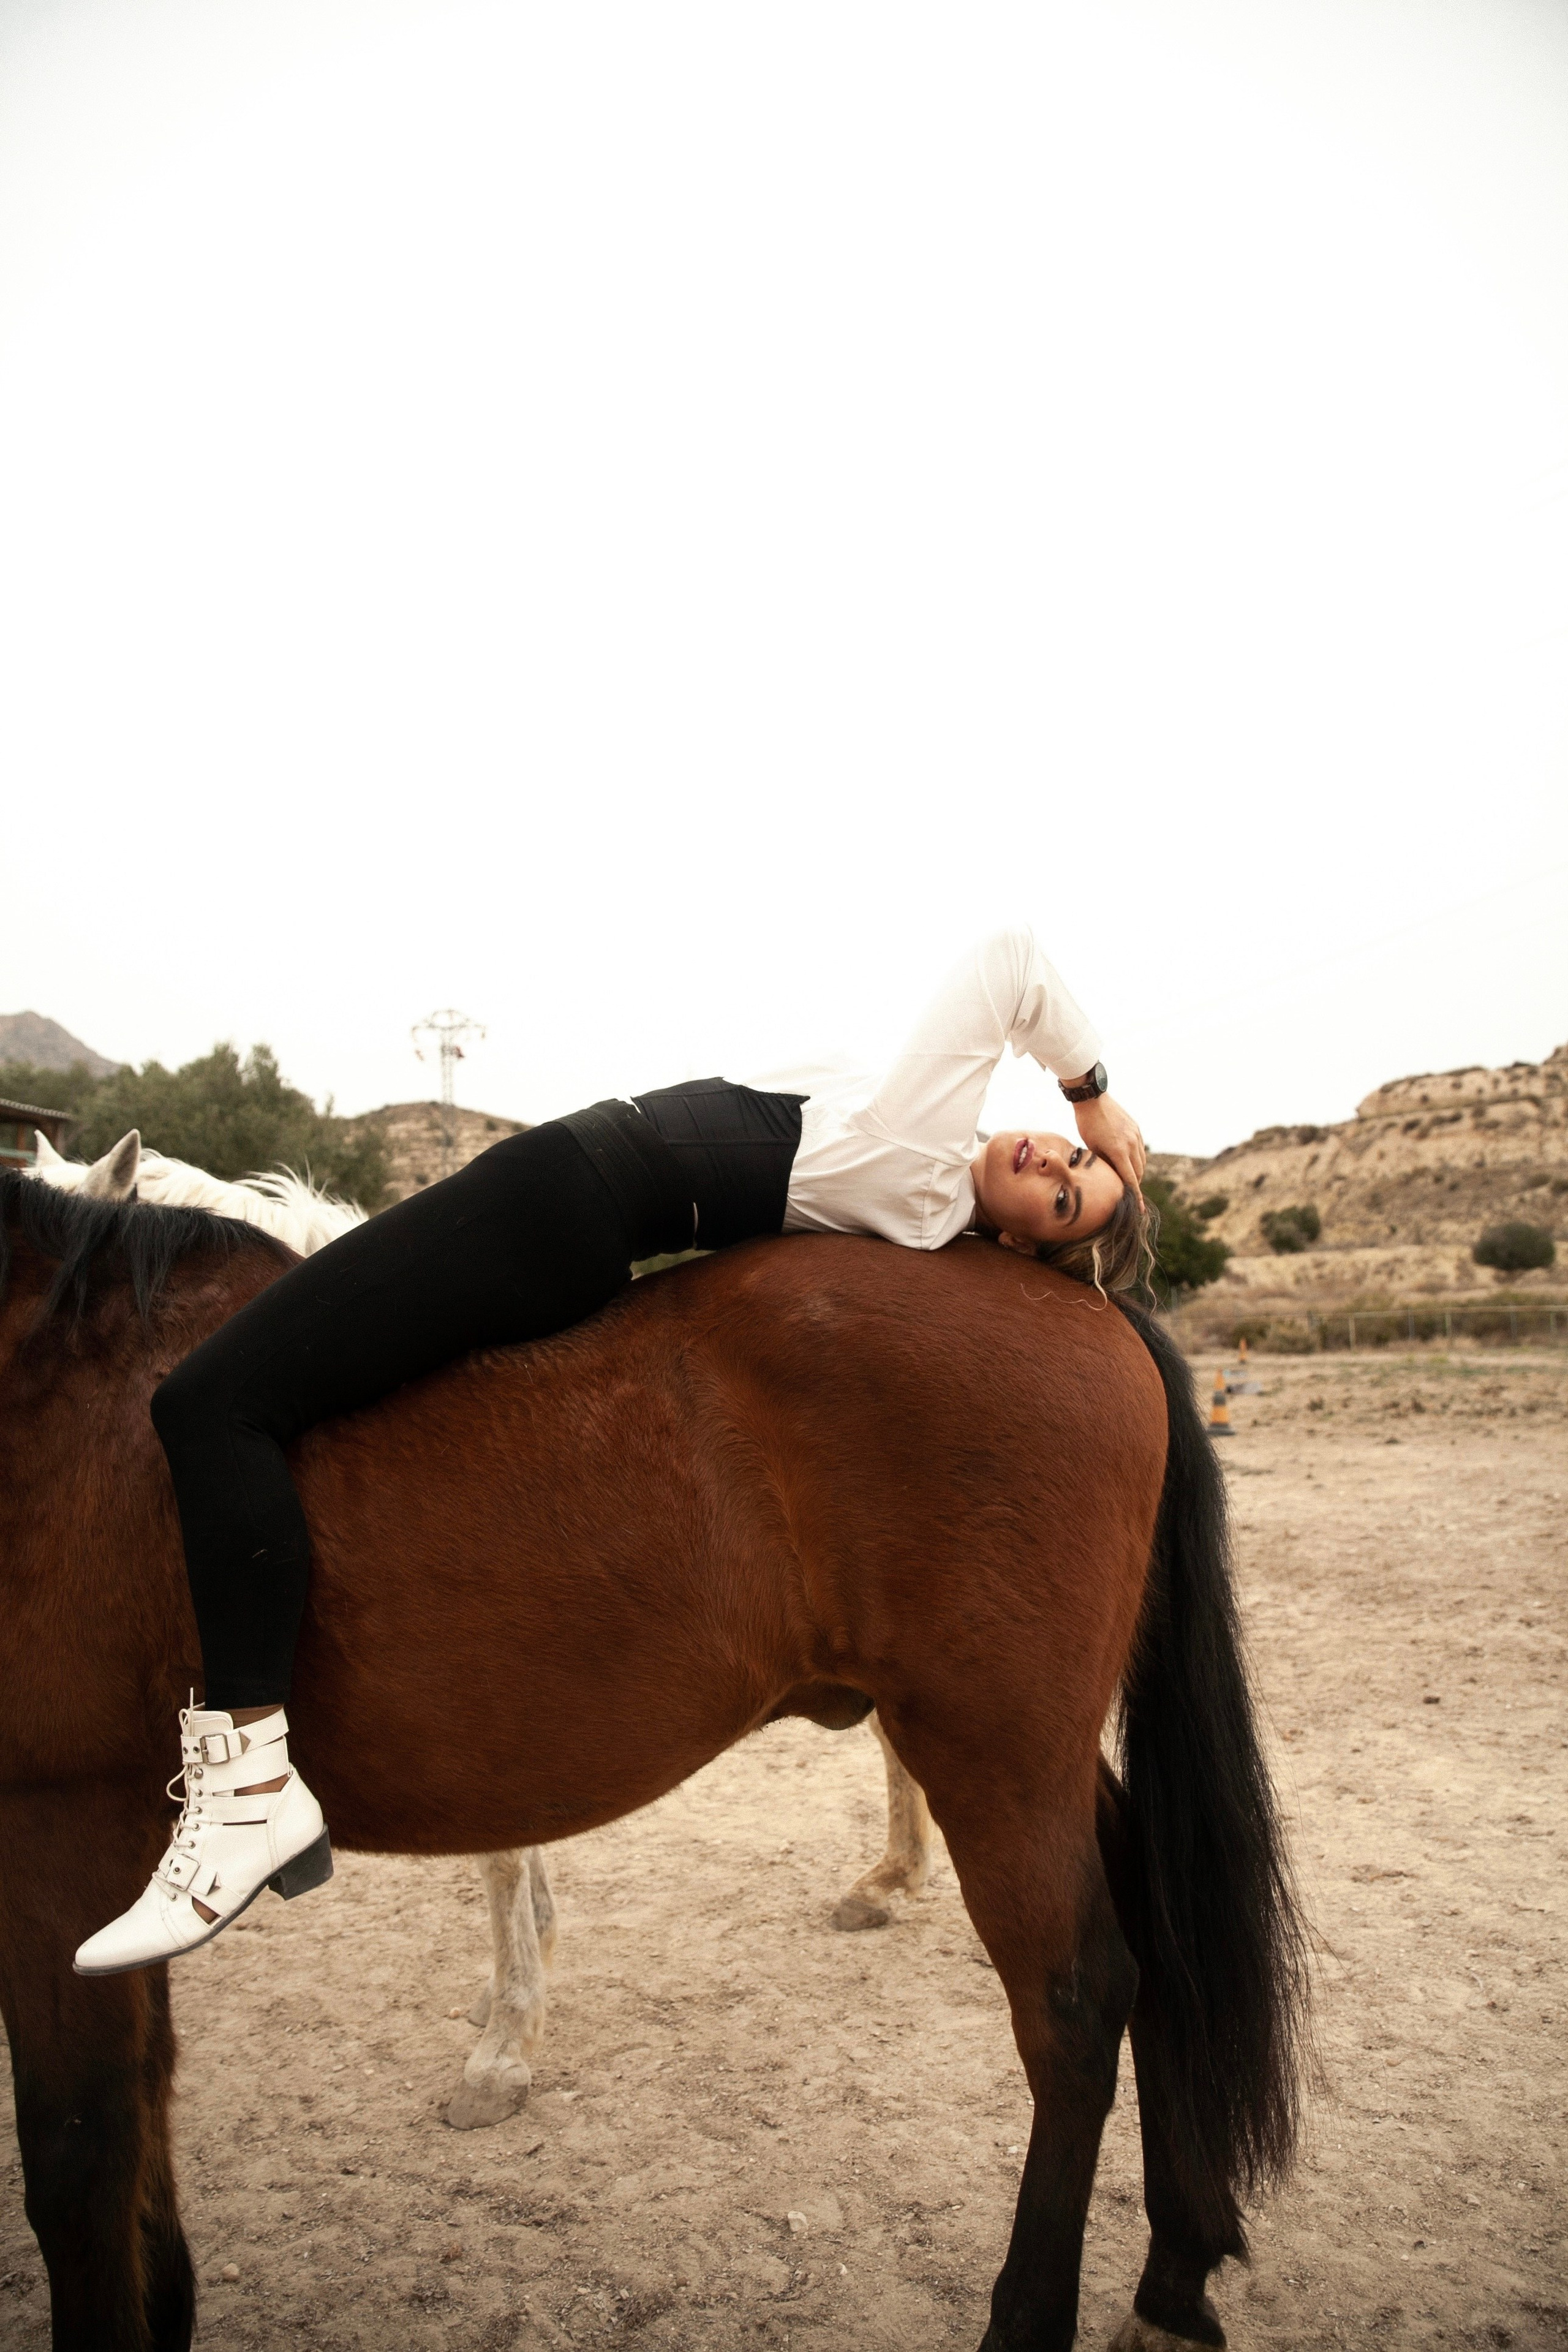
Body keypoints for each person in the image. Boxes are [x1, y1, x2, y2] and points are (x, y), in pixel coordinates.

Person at [74, 925, 1149, 1977]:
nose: (1054, 1155)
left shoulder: (920, 1162)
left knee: (212, 1404)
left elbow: (1009, 961)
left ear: (1021, 1240)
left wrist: (1091, 1091)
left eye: (1066, 1195)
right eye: (1074, 1153)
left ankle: (246, 1792)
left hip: (558, 1200)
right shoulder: (924, 1170)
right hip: (568, 1206)